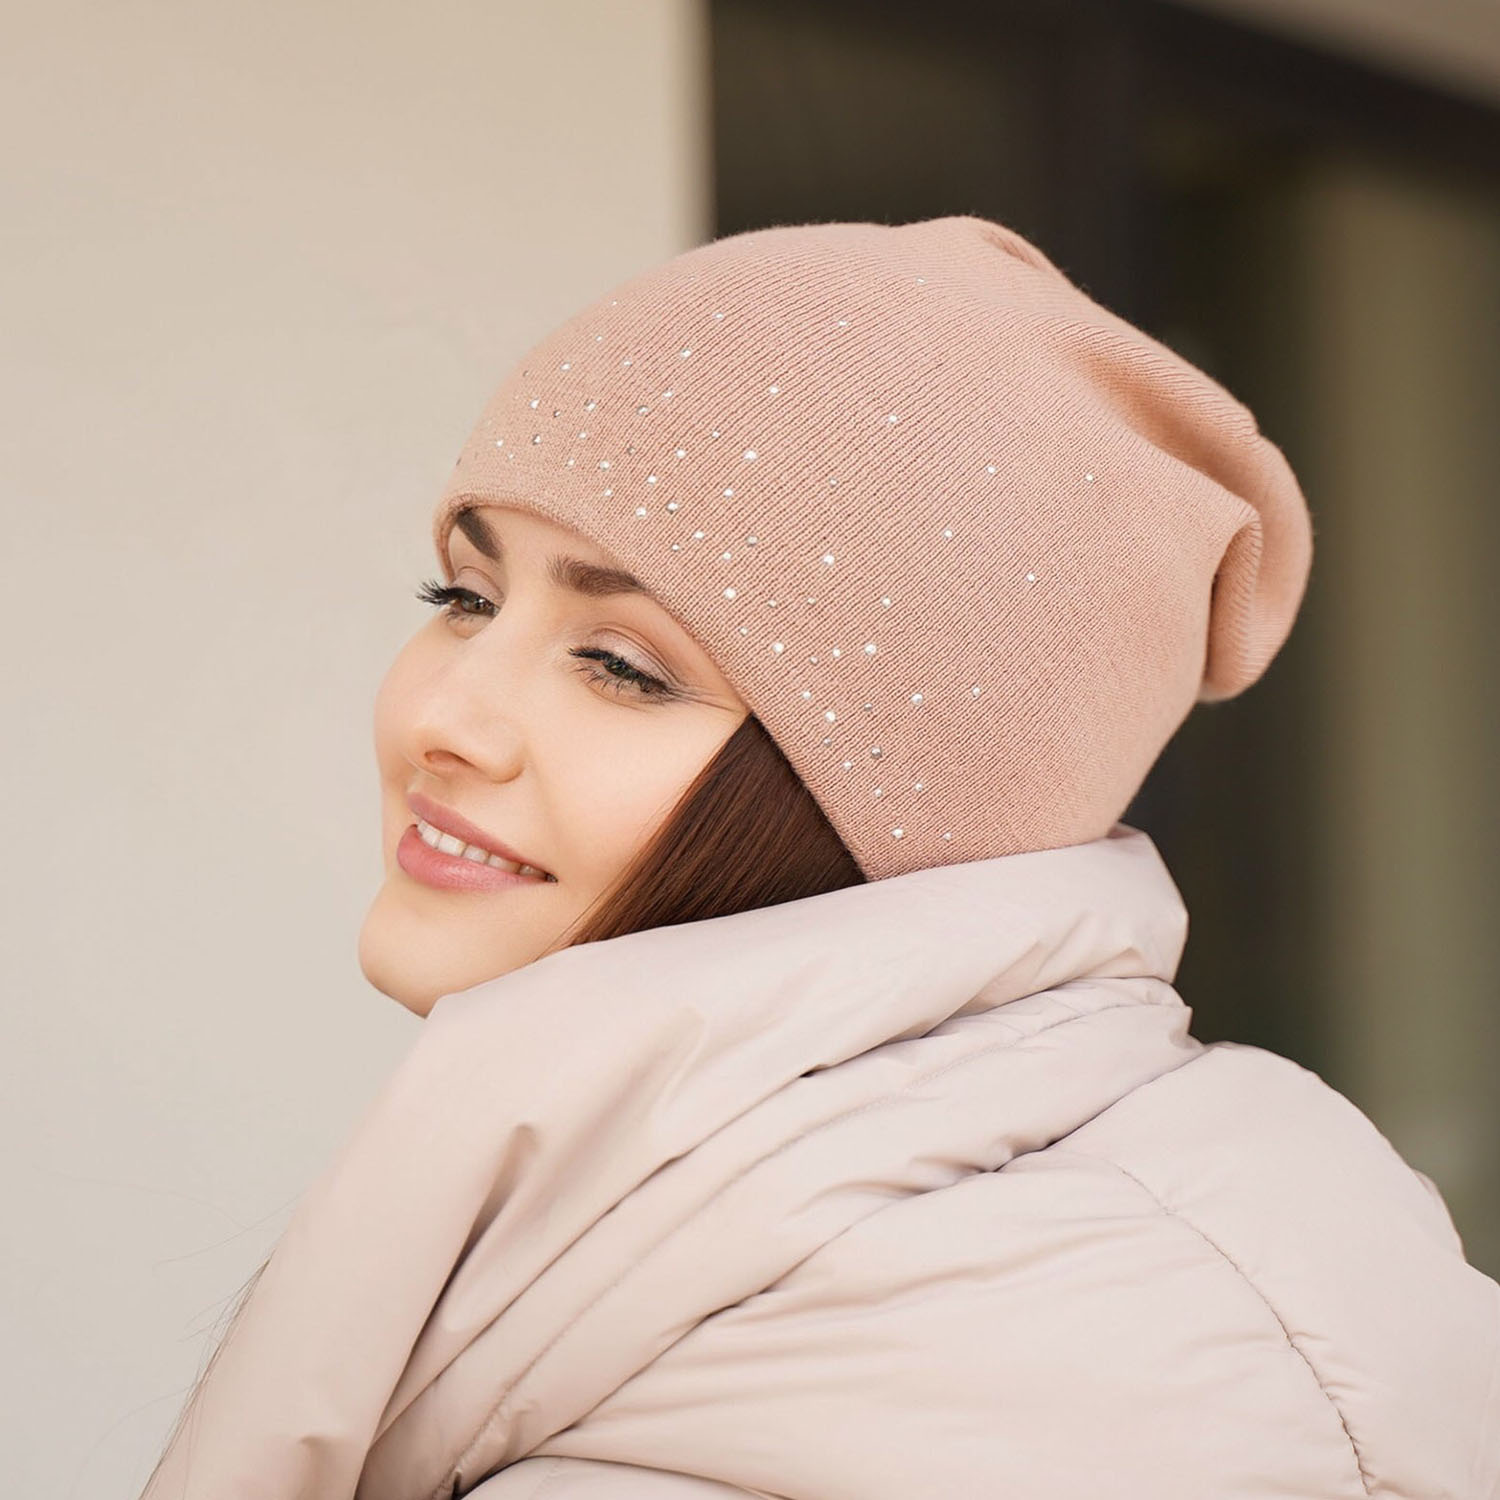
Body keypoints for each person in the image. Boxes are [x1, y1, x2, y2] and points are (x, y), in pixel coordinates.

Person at [139, 214, 1500, 1499]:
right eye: (465, 596)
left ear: (910, 808)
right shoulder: (1219, 1185)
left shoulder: (845, 1412)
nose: (443, 720)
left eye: (619, 666)